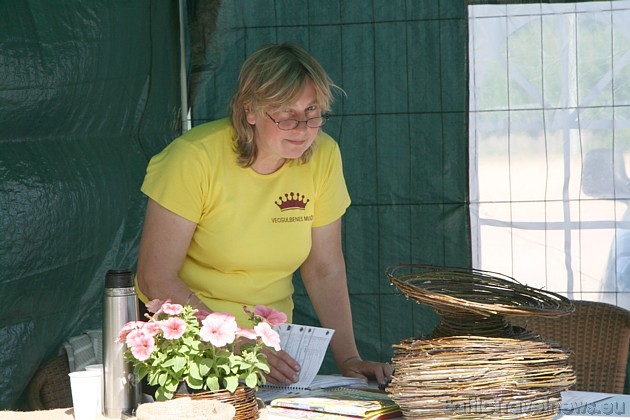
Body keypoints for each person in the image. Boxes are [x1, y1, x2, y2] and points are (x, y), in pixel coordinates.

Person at [135, 42, 393, 387]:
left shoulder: (324, 155)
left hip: (273, 346)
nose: (302, 127)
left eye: (313, 111)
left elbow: (324, 267)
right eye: (286, 113)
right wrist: (233, 342)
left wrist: (349, 358)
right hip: (190, 344)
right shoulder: (192, 158)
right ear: (249, 111)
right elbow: (156, 278)